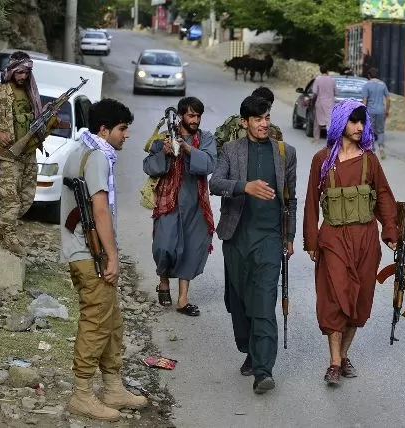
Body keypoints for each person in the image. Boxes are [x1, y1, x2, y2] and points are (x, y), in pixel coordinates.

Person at [60, 99, 147, 421]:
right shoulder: (97, 157)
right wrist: (112, 257)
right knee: (96, 322)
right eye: (122, 129)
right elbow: (99, 211)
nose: (126, 135)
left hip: (82, 250)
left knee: (111, 321)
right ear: (104, 130)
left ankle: (112, 387)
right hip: (89, 254)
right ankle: (82, 394)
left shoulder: (80, 149)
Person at [303, 99, 398, 386]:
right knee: (334, 299)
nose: (359, 127)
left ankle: (343, 355)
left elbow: (384, 197)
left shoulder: (370, 160)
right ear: (340, 122)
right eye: (353, 121)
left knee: (359, 301)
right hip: (333, 239)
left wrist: (391, 233)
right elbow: (311, 202)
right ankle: (334, 362)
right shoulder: (322, 160)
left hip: (365, 240)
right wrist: (311, 241)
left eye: (362, 122)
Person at [209, 96, 297, 395]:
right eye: (258, 119)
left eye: (267, 117)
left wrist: (289, 237)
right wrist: (244, 186)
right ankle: (250, 350)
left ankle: (263, 371)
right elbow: (215, 183)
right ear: (244, 122)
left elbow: (291, 199)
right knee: (239, 303)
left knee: (263, 303)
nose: (263, 124)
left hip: (270, 239)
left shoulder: (285, 153)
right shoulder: (231, 150)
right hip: (237, 237)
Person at [0, 51, 63, 256]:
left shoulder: (32, 93)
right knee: (10, 198)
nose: (23, 76)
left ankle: (1, 230)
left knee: (27, 197)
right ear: (11, 71)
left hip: (28, 152)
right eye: (19, 72)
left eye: (26, 72)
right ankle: (9, 237)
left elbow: (36, 123)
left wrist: (49, 116)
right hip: (7, 154)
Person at [143, 97, 217, 314]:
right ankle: (163, 281)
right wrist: (164, 153)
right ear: (181, 116)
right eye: (191, 115)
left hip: (195, 203)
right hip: (168, 202)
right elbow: (148, 166)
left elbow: (210, 163)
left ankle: (183, 300)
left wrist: (187, 149)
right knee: (164, 247)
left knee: (191, 249)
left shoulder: (205, 138)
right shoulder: (163, 138)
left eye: (198, 116)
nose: (195, 120)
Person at [214, 86, 283, 155]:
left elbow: (281, 156)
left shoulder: (274, 131)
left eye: (267, 106)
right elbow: (216, 144)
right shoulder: (234, 122)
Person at [362, 67, 390, 159]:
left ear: (369, 75)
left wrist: (363, 111)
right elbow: (388, 98)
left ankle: (372, 149)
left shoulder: (367, 85)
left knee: (370, 130)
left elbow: (365, 100)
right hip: (381, 110)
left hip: (370, 111)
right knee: (381, 130)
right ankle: (381, 147)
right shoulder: (383, 84)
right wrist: (387, 110)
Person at [311, 64, 337, 144]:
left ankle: (316, 139)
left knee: (317, 121)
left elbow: (315, 92)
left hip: (320, 103)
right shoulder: (332, 80)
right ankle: (330, 140)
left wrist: (313, 101)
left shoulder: (317, 79)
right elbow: (336, 92)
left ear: (320, 71)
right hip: (330, 103)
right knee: (329, 122)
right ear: (327, 71)